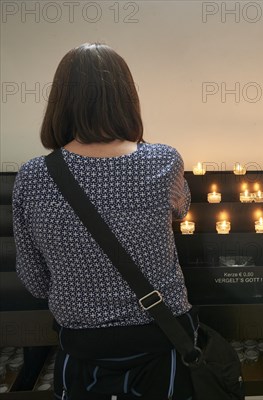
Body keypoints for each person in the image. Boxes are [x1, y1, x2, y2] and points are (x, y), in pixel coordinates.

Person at [12, 43, 195, 399]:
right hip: (161, 335)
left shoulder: (33, 176)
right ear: (126, 98)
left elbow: (34, 279)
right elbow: (181, 208)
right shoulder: (164, 160)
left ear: (59, 103)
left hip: (82, 345)